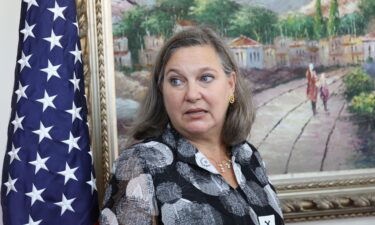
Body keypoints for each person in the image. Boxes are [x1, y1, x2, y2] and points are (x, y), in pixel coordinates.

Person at [100, 27, 284, 225]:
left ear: (230, 84)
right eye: (176, 81)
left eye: (205, 78)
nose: (192, 94)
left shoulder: (248, 155)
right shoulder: (140, 164)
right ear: (162, 91)